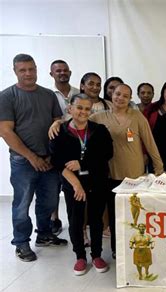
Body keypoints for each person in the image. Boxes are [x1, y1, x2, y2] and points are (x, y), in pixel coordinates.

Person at [0, 54, 67, 262]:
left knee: (48, 201)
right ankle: (21, 243)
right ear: (15, 71)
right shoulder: (7, 96)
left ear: (37, 69)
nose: (28, 73)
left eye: (31, 69)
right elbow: (5, 131)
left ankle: (45, 234)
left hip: (48, 159)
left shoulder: (48, 95)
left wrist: (49, 154)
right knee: (22, 204)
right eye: (23, 70)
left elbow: (58, 120)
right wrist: (31, 157)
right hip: (23, 161)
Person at [90, 84, 164, 257]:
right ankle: (116, 249)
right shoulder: (99, 117)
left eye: (125, 96)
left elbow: (150, 143)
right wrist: (57, 123)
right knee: (114, 214)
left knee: (132, 215)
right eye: (117, 94)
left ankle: (131, 247)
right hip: (109, 173)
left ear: (130, 98)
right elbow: (77, 121)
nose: (120, 98)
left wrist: (159, 168)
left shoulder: (137, 116)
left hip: (133, 175)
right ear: (111, 95)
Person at [50, 93, 113, 275]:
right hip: (72, 183)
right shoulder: (59, 132)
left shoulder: (99, 130)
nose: (83, 112)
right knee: (76, 220)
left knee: (96, 220)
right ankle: (79, 256)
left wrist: (83, 164)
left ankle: (97, 255)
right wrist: (76, 184)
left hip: (97, 181)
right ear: (70, 109)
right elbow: (57, 161)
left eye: (87, 109)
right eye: (79, 107)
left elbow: (107, 154)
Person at [49, 59, 80, 235]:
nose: (62, 73)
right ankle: (54, 218)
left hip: (77, 143)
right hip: (58, 142)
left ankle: (80, 223)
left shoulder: (78, 92)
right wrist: (57, 123)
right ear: (51, 74)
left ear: (70, 72)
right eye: (58, 70)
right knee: (54, 186)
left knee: (75, 184)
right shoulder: (48, 94)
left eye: (65, 70)